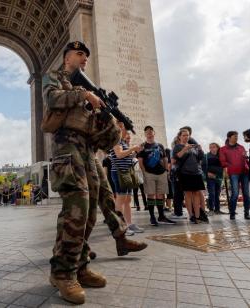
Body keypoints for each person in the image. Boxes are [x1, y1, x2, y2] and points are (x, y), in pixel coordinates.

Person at [42, 41, 146, 305]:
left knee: (90, 210)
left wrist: (108, 118)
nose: (85, 59)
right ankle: (63, 273)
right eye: (80, 54)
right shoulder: (55, 78)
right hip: (67, 148)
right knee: (76, 208)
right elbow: (52, 98)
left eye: (87, 56)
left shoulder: (91, 94)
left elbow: (103, 141)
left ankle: (80, 266)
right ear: (67, 57)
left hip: (87, 151)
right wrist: (83, 95)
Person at [137, 125, 176, 226]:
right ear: (145, 134)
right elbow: (140, 161)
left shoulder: (160, 146)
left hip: (161, 173)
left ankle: (161, 216)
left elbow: (164, 159)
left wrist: (166, 171)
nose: (149, 133)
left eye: (151, 131)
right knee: (150, 195)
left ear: (154, 133)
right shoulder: (142, 146)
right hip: (149, 173)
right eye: (147, 132)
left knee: (160, 195)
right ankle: (152, 217)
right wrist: (144, 173)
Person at [109, 122, 144, 234]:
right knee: (120, 199)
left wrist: (133, 153)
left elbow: (123, 156)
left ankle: (129, 224)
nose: (124, 130)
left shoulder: (122, 142)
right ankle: (120, 226)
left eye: (123, 127)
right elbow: (119, 154)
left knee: (128, 199)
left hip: (126, 173)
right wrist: (132, 148)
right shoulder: (116, 140)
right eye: (121, 127)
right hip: (119, 173)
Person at [173, 129, 206, 224]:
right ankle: (191, 215)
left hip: (196, 172)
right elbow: (176, 157)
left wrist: (200, 149)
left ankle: (197, 216)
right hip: (185, 173)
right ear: (179, 136)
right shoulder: (177, 146)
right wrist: (185, 149)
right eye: (184, 135)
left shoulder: (193, 146)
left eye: (187, 135)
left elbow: (200, 158)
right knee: (188, 194)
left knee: (196, 194)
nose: (186, 137)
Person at [219, 131, 250, 220]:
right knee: (235, 193)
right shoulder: (223, 149)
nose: (236, 138)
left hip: (245, 172)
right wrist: (226, 169)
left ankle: (247, 213)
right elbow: (223, 161)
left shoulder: (241, 147)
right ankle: (232, 212)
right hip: (233, 173)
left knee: (247, 194)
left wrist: (245, 157)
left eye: (237, 136)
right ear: (229, 137)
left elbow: (245, 159)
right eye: (234, 136)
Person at [203, 143, 226, 214]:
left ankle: (217, 209)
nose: (212, 149)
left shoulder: (221, 156)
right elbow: (202, 167)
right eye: (210, 147)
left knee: (217, 194)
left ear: (217, 148)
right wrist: (207, 173)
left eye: (214, 147)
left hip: (218, 177)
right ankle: (211, 209)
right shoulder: (206, 156)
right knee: (212, 193)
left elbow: (224, 166)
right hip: (210, 177)